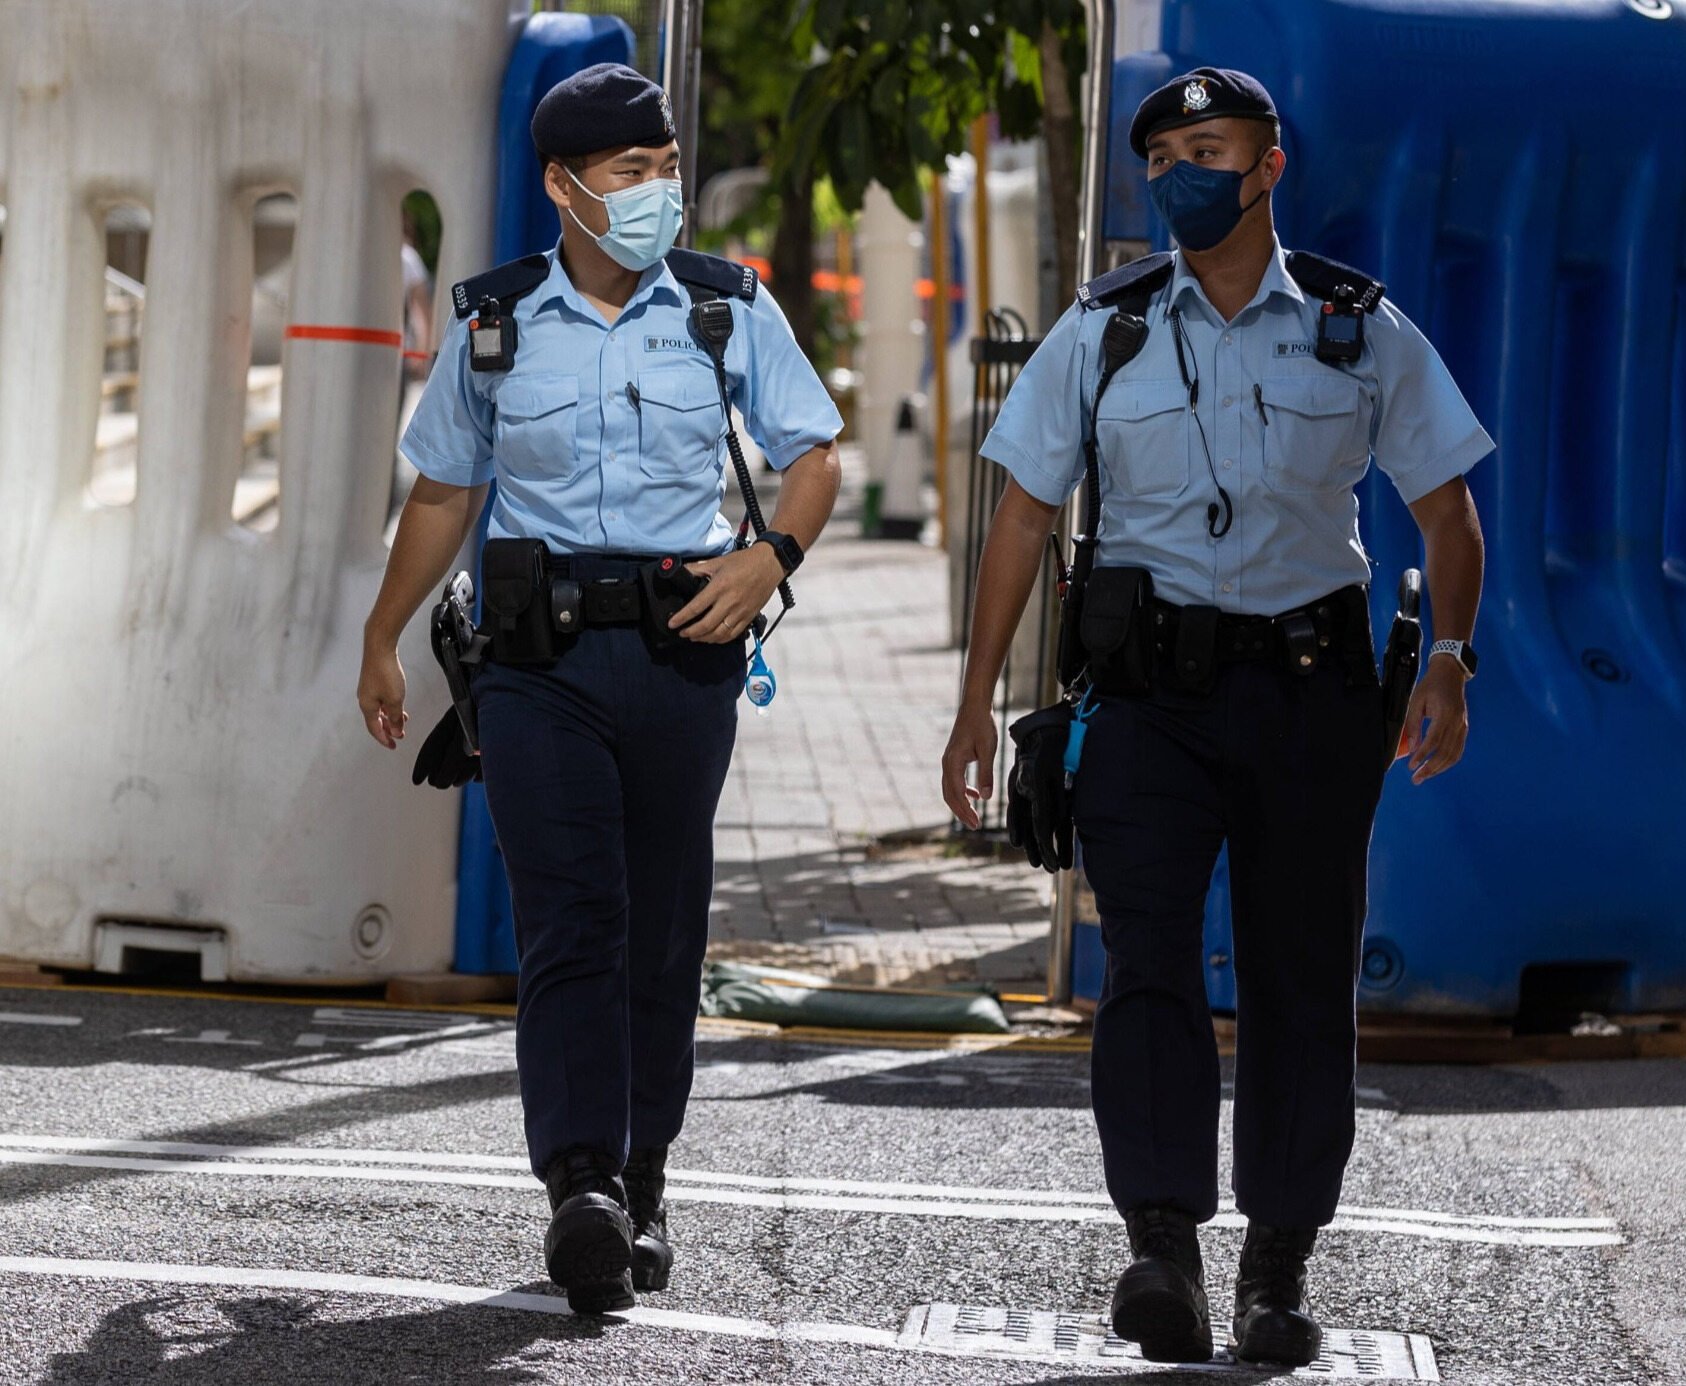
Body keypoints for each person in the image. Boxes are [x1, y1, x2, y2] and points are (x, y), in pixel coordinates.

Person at [941, 68, 1490, 1367]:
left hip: (1313, 701)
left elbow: (1447, 510)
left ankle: (1277, 1270)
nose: (1187, 169)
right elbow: (1022, 511)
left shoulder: (1361, 327)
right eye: (1169, 151)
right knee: (1146, 970)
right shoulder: (1107, 328)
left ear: (1268, 165)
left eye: (1212, 146)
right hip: (1147, 704)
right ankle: (1163, 1250)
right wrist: (974, 698)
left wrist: (1452, 658)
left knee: (1301, 983)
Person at [355, 63, 842, 1313]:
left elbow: (811, 455)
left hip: (684, 652)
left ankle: (645, 1173)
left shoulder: (729, 308)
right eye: (631, 174)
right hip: (536, 664)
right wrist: (383, 631)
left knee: (664, 925)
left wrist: (768, 558)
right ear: (564, 188)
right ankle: (582, 1186)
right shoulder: (495, 323)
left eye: (666, 169)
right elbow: (446, 492)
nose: (658, 194)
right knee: (573, 917)